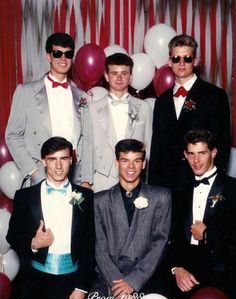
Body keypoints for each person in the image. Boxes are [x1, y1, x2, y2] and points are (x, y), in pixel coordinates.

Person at [6, 136, 95, 299]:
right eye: (52, 159)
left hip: (70, 283)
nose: (58, 165)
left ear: (71, 161)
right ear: (43, 161)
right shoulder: (25, 196)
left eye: (63, 159)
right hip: (35, 282)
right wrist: (34, 243)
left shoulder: (85, 197)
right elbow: (12, 236)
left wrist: (81, 288)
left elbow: (90, 245)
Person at [83, 139, 171, 299]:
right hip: (108, 280)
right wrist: (119, 287)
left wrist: (132, 282)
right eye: (125, 161)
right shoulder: (99, 201)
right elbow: (99, 248)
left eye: (136, 161)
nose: (131, 167)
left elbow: (160, 242)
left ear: (144, 163)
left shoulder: (161, 197)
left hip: (145, 279)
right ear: (116, 163)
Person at [166, 130, 236, 299]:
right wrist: (176, 269)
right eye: (191, 154)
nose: (196, 161)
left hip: (221, 276)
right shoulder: (179, 190)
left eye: (202, 153)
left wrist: (207, 235)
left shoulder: (232, 189)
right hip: (185, 275)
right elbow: (169, 238)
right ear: (185, 155)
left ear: (213, 152)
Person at [5, 32, 92, 187]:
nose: (63, 59)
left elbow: (86, 139)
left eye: (68, 54)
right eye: (57, 53)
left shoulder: (81, 96)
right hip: (40, 175)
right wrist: (33, 171)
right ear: (48, 56)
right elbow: (12, 135)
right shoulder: (26, 91)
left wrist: (85, 179)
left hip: (73, 176)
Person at [148, 34, 231, 190]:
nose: (181, 64)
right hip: (168, 186)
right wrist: (154, 191)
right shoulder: (161, 102)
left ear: (196, 61)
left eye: (187, 58)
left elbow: (223, 143)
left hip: (201, 183)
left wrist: (217, 184)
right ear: (169, 62)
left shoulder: (214, 95)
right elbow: (157, 149)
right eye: (176, 58)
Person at [87, 53, 153, 192]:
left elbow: (147, 147)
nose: (119, 78)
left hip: (134, 177)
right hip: (102, 177)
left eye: (124, 73)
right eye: (114, 73)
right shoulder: (92, 108)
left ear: (131, 77)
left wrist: (146, 181)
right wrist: (87, 181)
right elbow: (87, 147)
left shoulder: (144, 107)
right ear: (106, 76)